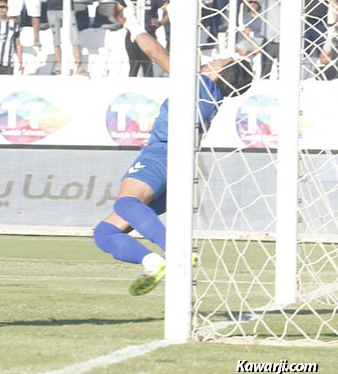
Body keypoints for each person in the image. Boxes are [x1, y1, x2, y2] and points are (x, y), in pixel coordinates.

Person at [92, 37, 253, 296]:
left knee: (125, 203)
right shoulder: (211, 95)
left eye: (219, 60)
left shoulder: (198, 83)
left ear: (219, 73)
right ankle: (152, 263)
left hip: (162, 154)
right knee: (105, 233)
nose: (213, 59)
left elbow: (154, 53)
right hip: (181, 165)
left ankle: (176, 249)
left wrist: (134, 26)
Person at [115, 0, 169, 77]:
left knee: (147, 64)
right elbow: (115, 11)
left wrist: (160, 23)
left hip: (149, 35)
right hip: (132, 36)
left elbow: (169, 11)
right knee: (133, 64)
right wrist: (124, 22)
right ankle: (131, 89)